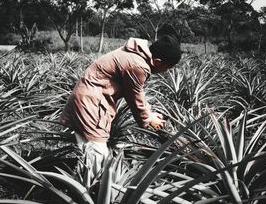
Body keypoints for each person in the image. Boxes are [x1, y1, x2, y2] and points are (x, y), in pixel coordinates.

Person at [60, 35, 182, 183]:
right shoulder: (138, 65)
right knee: (97, 154)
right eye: (167, 68)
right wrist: (148, 119)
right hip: (91, 103)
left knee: (91, 151)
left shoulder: (135, 56)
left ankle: (86, 185)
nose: (165, 71)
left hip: (89, 99)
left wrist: (150, 114)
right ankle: (88, 193)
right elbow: (134, 96)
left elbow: (137, 93)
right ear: (157, 62)